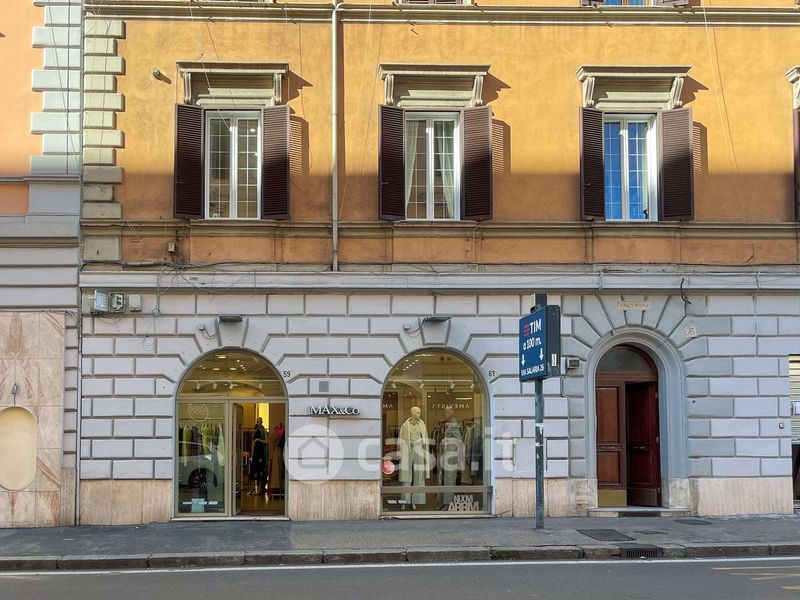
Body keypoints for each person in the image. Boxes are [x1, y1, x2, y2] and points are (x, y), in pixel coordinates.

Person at [248, 417, 269, 495]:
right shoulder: (256, 430)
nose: (258, 423)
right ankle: (252, 488)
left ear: (262, 422)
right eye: (257, 421)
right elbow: (253, 442)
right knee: (253, 470)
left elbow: (267, 441)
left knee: (260, 471)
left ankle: (260, 489)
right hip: (255, 452)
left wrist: (258, 440)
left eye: (259, 421)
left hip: (261, 453)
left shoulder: (264, 431)